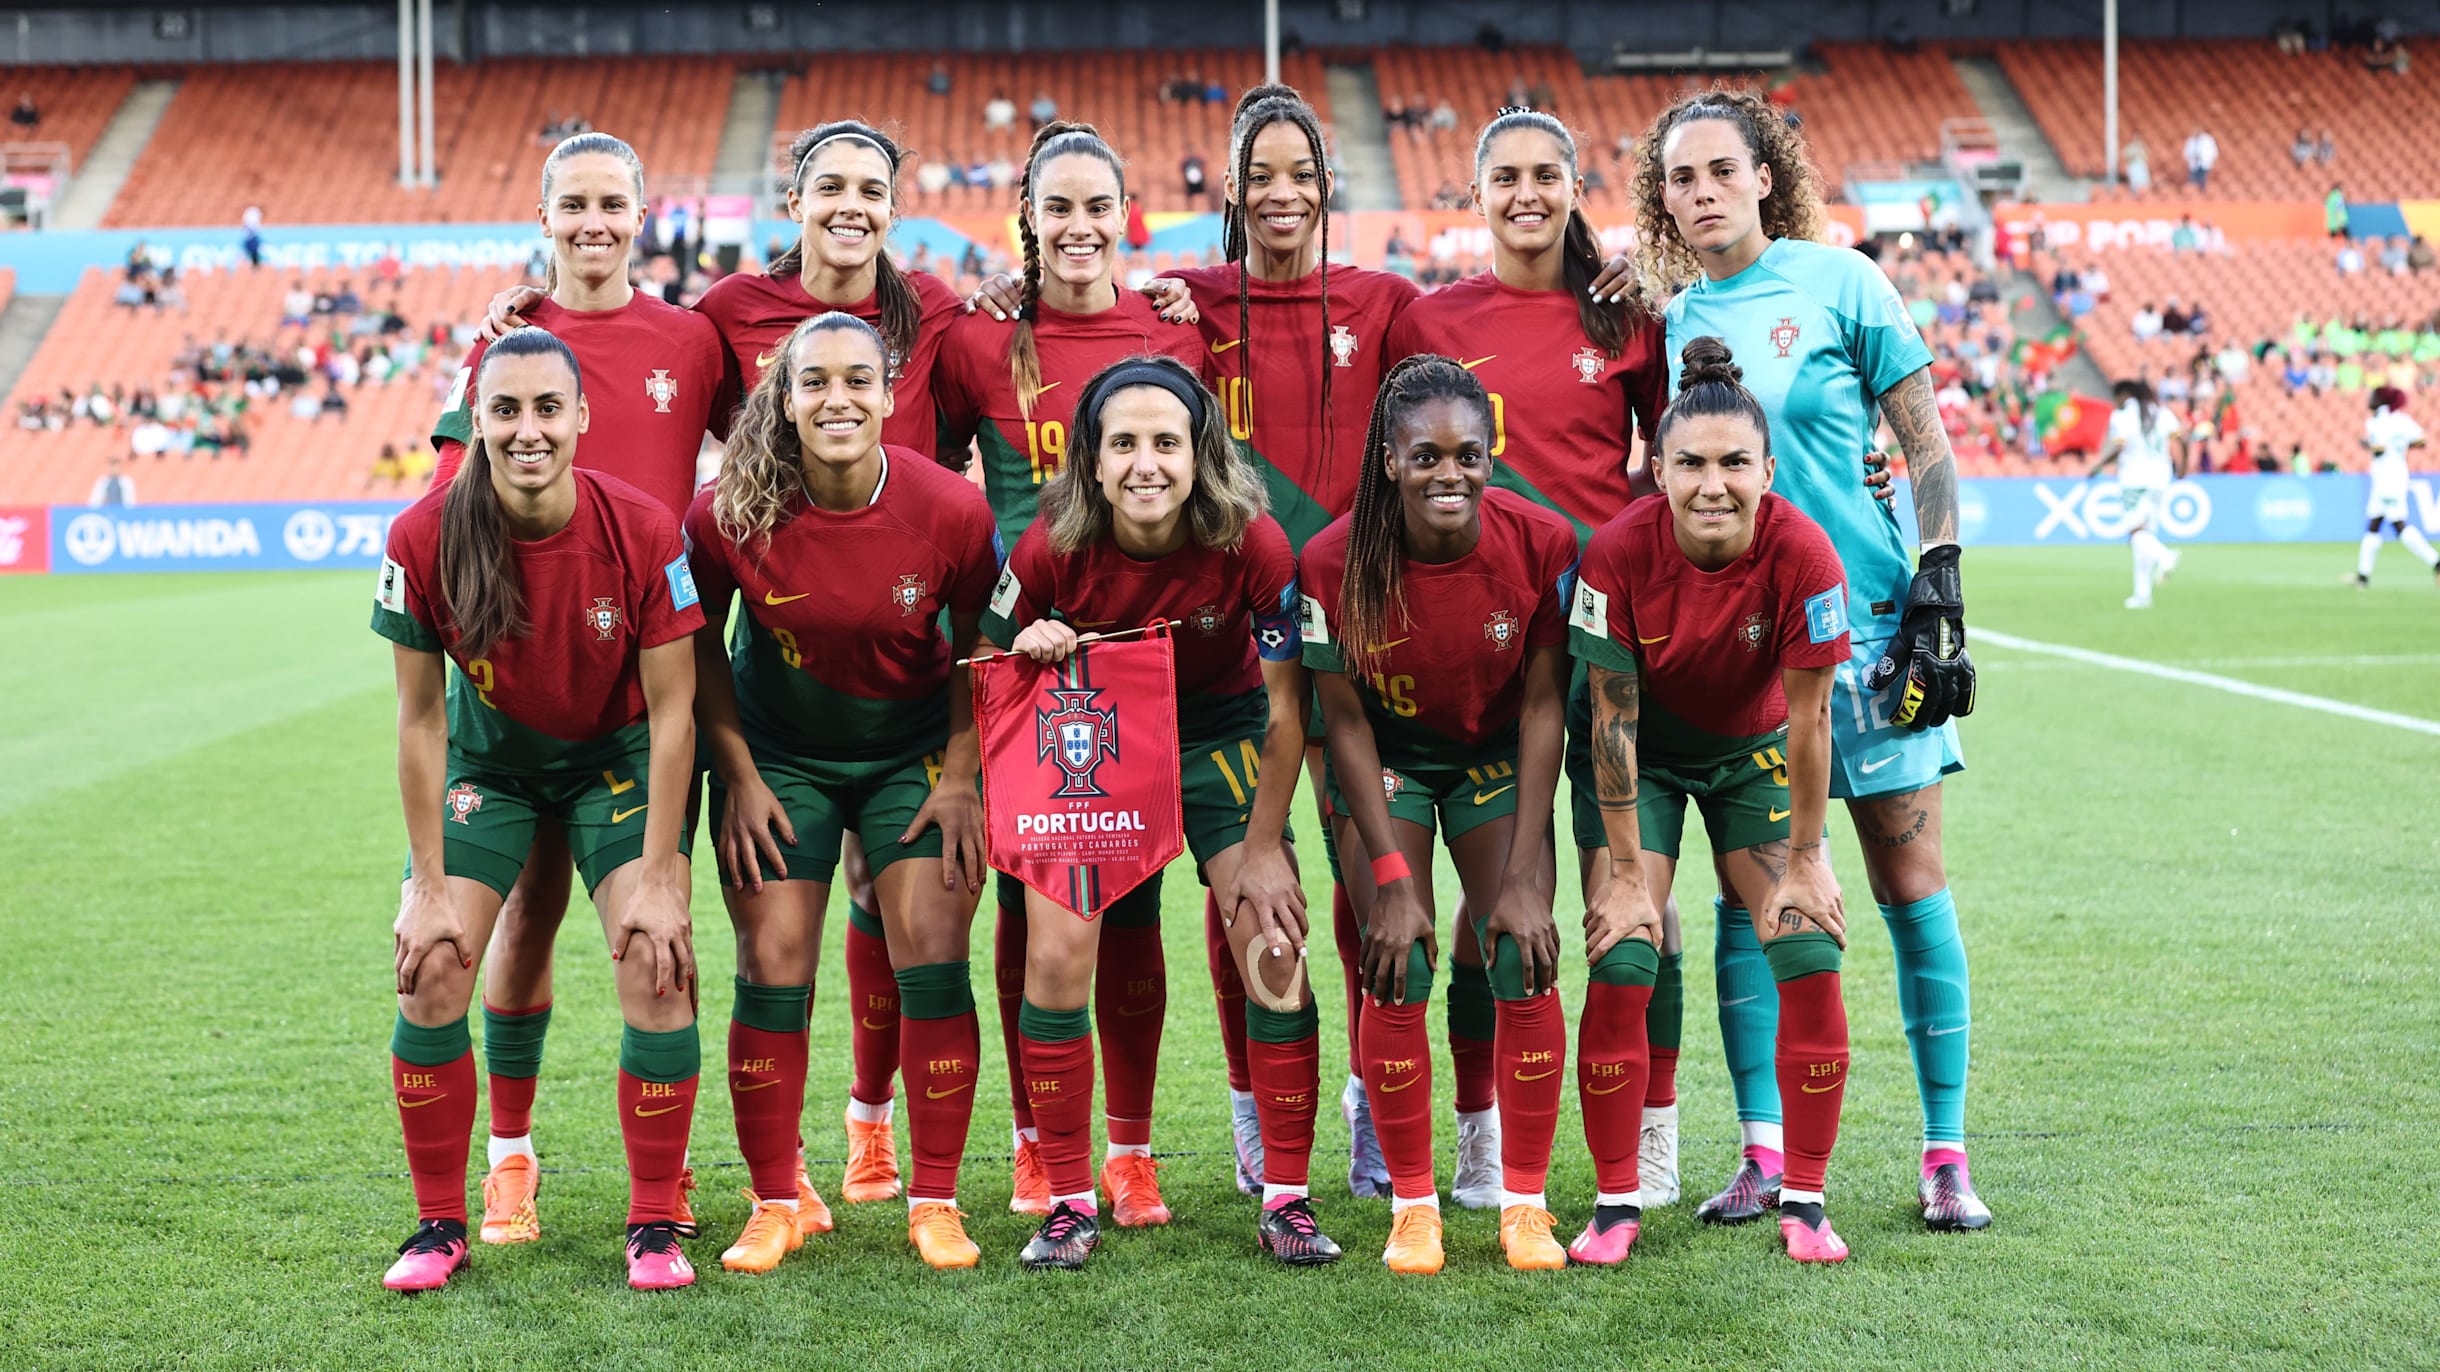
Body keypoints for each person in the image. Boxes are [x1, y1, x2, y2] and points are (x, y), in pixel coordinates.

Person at [1633, 87, 1987, 1232]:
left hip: (1875, 631)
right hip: (1745, 651)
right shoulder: (1674, 320)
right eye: (1679, 178)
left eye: (1719, 170)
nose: (1700, 193)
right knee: (1756, 902)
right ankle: (1762, 1150)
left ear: (1764, 176)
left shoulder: (1844, 282)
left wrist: (1939, 571)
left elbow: (1923, 443)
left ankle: (1943, 1151)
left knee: (1905, 884)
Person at [426, 134, 731, 1248]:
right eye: (573, 204)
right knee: (522, 925)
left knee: (658, 927)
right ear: (543, 216)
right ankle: (510, 1160)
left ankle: (668, 1177)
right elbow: (454, 503)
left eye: (612, 202)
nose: (593, 221)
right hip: (522, 684)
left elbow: (761, 446)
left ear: (643, 214)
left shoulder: (691, 340)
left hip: (642, 685)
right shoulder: (504, 342)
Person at [373, 326, 706, 1293]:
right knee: (431, 966)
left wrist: (658, 876)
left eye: (546, 409)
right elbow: (421, 721)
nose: (528, 431)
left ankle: (653, 1225)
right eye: (506, 411)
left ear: (581, 418)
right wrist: (427, 887)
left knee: (656, 958)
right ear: (475, 422)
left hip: (618, 759)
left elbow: (676, 711)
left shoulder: (643, 529)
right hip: (493, 767)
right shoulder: (421, 536)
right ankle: (440, 1222)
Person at [977, 354, 1326, 1270]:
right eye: (1122, 443)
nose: (1145, 463)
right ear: (1090, 460)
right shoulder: (1050, 545)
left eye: (1166, 442)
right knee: (1055, 956)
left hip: (1220, 740)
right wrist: (1028, 643)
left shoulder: (1253, 543)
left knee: (1274, 945)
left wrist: (1258, 849)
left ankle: (1287, 1198)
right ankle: (1068, 1200)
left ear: (1200, 453)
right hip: (1101, 737)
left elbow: (1289, 715)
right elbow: (982, 661)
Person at [1384, 108, 1672, 1212]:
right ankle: (1472, 1124)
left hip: (1602, 649)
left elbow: (1675, 455)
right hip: (1467, 645)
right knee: (1482, 902)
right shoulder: (1430, 319)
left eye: (1545, 174)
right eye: (1503, 176)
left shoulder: (1622, 317)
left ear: (1571, 183)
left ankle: (1651, 1129)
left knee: (1633, 888)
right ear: (1475, 191)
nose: (1525, 193)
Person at [685, 311, 1001, 1273]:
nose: (837, 399)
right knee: (772, 959)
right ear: (783, 399)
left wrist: (960, 776)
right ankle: (776, 1199)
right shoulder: (725, 511)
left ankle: (935, 1200)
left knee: (937, 950)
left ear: (890, 393)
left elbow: (978, 650)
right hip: (778, 757)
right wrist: (733, 772)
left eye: (857, 380)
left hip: (912, 755)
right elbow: (699, 646)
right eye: (813, 381)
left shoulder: (953, 509)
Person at [933, 122, 1203, 1221]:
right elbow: (938, 473)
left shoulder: (1178, 334)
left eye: (1099, 207)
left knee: (1129, 913)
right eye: (1059, 208)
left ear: (1124, 215)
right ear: (1029, 223)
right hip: (1023, 659)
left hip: (1140, 656)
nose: (1080, 227)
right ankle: (1037, 1144)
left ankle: (1129, 1151)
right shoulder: (977, 340)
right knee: (1030, 912)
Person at [1571, 336, 1858, 1262]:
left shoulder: (1805, 554)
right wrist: (1622, 876)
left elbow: (1811, 723)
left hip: (1751, 756)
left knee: (1808, 948)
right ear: (1656, 470)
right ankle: (1617, 1205)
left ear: (1768, 470)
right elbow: (1610, 721)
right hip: (1642, 760)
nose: (1712, 484)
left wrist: (1809, 861)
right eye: (1690, 463)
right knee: (1624, 955)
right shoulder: (1616, 553)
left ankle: (1805, 1202)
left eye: (1735, 463)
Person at [1302, 355, 1577, 1274]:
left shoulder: (1543, 544)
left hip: (1496, 757)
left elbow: (1545, 708)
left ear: (1491, 457)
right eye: (1425, 456)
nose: (1447, 473)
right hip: (1389, 768)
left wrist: (1531, 874)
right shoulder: (1331, 560)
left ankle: (1524, 1204)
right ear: (1389, 461)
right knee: (1400, 958)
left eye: (1467, 455)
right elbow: (1340, 720)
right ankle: (1413, 1207)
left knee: (1522, 953)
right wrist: (1387, 878)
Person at [2086, 380, 2186, 609]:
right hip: (2161, 478)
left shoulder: (2123, 416)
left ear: (2124, 395)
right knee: (2145, 535)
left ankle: (2165, 556)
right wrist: (2183, 466)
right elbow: (2183, 439)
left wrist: (2099, 466)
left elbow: (2121, 447)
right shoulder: (2162, 413)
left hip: (2134, 478)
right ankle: (2142, 594)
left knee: (2135, 534)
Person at [2354, 386, 2439, 587]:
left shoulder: (2377, 421)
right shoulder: (2402, 420)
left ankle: (2436, 561)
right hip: (2396, 472)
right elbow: (2421, 441)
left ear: (2381, 401)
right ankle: (2363, 576)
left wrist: (2367, 445)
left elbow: (2380, 448)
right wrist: (2400, 446)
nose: (2369, 398)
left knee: (2398, 524)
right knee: (2374, 524)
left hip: (2387, 477)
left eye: (2372, 396)